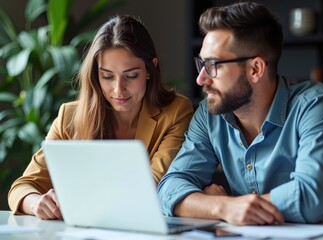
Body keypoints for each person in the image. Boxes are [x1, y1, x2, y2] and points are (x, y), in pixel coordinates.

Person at [158, 1, 323, 225]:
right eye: (201, 64)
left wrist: (227, 206)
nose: (201, 79)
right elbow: (169, 188)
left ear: (255, 69)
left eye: (213, 64)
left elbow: (310, 199)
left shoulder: (316, 105)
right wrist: (223, 207)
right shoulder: (209, 114)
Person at [8, 14, 193, 220]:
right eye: (107, 76)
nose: (118, 89)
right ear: (95, 75)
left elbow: (152, 185)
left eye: (131, 76)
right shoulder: (69, 117)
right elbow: (22, 187)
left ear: (151, 69)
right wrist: (36, 203)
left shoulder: (176, 112)